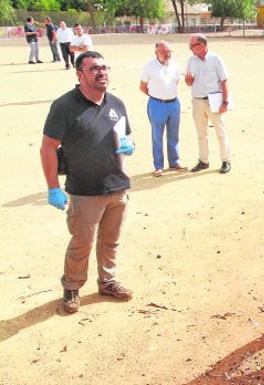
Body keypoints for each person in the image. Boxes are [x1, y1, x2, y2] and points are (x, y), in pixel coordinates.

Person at [39, 51, 135, 314]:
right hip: (84, 190)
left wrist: (129, 146)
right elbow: (48, 148)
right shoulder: (64, 106)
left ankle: (108, 281)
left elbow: (124, 138)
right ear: (79, 74)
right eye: (94, 69)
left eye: (104, 67)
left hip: (117, 185)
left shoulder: (116, 103)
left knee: (110, 241)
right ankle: (71, 287)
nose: (101, 72)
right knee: (82, 242)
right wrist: (53, 188)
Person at [185, 34, 232, 174]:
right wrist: (188, 80)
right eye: (190, 45)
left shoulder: (215, 59)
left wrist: (225, 101)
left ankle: (226, 160)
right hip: (197, 100)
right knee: (201, 133)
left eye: (192, 45)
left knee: (220, 132)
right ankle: (203, 160)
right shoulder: (191, 60)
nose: (190, 48)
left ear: (202, 45)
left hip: (214, 100)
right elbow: (188, 83)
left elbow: (224, 81)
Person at [139, 41, 185, 177]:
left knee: (174, 135)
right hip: (156, 105)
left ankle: (174, 162)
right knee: (157, 136)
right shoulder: (149, 66)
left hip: (174, 104)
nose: (167, 54)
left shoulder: (175, 65)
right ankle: (158, 166)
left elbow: (176, 83)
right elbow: (142, 86)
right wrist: (156, 97)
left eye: (169, 51)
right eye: (164, 51)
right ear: (156, 52)